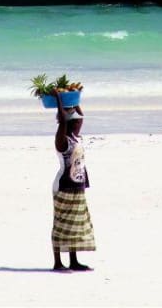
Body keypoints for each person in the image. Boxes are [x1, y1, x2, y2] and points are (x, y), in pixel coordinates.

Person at [50, 90, 95, 271]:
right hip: (63, 186)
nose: (79, 121)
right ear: (68, 122)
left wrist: (75, 97)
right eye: (75, 120)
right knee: (62, 224)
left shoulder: (76, 136)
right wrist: (60, 99)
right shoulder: (62, 140)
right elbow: (62, 120)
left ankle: (74, 261)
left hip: (77, 185)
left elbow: (81, 115)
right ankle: (58, 262)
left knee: (74, 224)